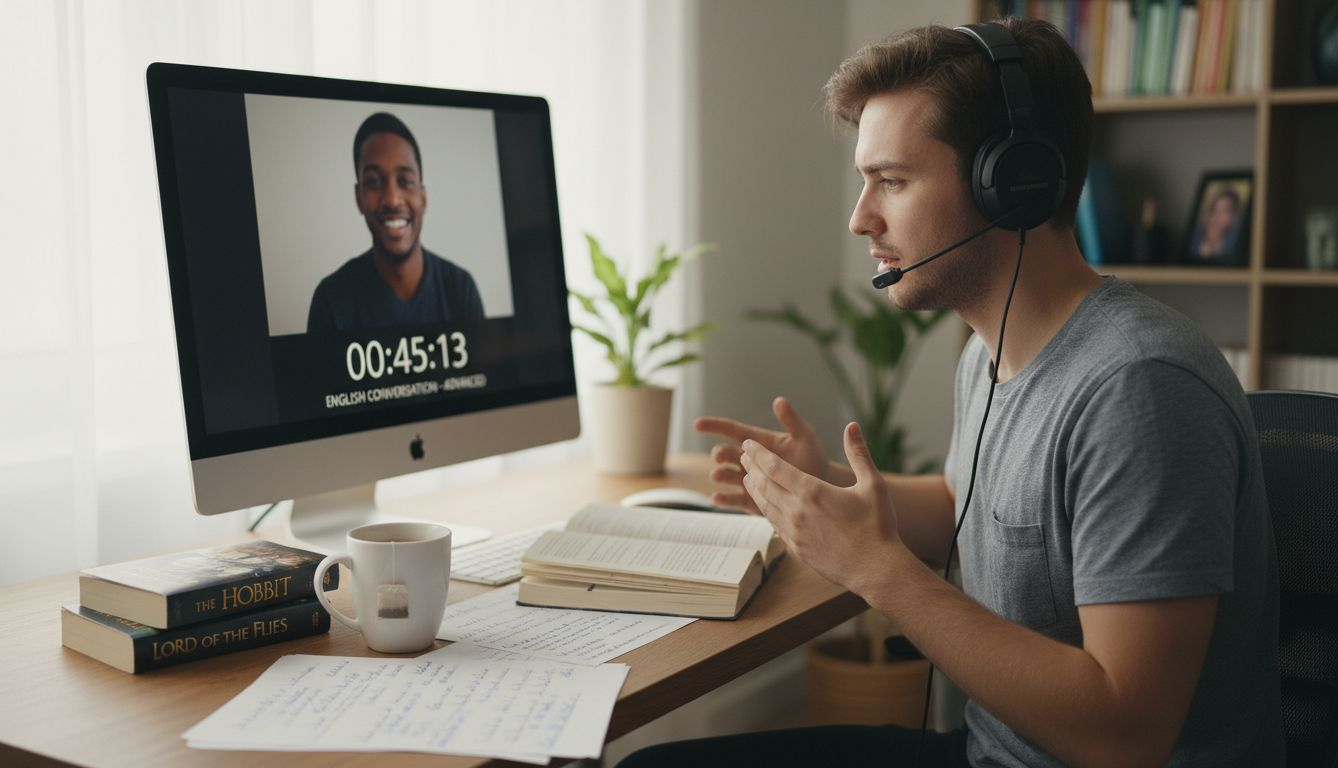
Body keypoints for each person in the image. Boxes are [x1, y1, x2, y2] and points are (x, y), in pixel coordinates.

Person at [621, 17, 1282, 768]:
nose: (860, 217)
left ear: (1013, 184)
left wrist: (880, 572)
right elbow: (967, 503)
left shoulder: (1139, 389)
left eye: (892, 181)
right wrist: (829, 489)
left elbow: (1126, 735)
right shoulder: (988, 350)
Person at [307, 112, 485, 333]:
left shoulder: (460, 289)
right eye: (373, 182)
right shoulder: (331, 301)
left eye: (405, 181)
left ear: (423, 197)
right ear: (358, 197)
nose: (392, 199)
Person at [1192, 189, 1244, 260]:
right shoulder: (1196, 236)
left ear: (1234, 217)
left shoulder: (1234, 241)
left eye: (1224, 211)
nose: (1216, 216)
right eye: (1214, 210)